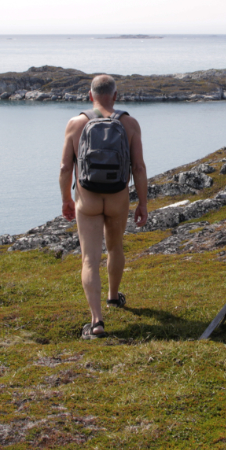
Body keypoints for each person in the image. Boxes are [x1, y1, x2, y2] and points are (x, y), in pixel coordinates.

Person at [59, 74, 148, 339]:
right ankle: (112, 297)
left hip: (87, 200)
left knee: (89, 259)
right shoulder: (130, 123)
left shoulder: (76, 124)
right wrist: (143, 203)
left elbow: (65, 167)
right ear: (115, 96)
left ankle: (97, 322)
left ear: (90, 96)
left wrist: (66, 198)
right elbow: (139, 167)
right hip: (118, 198)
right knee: (115, 247)